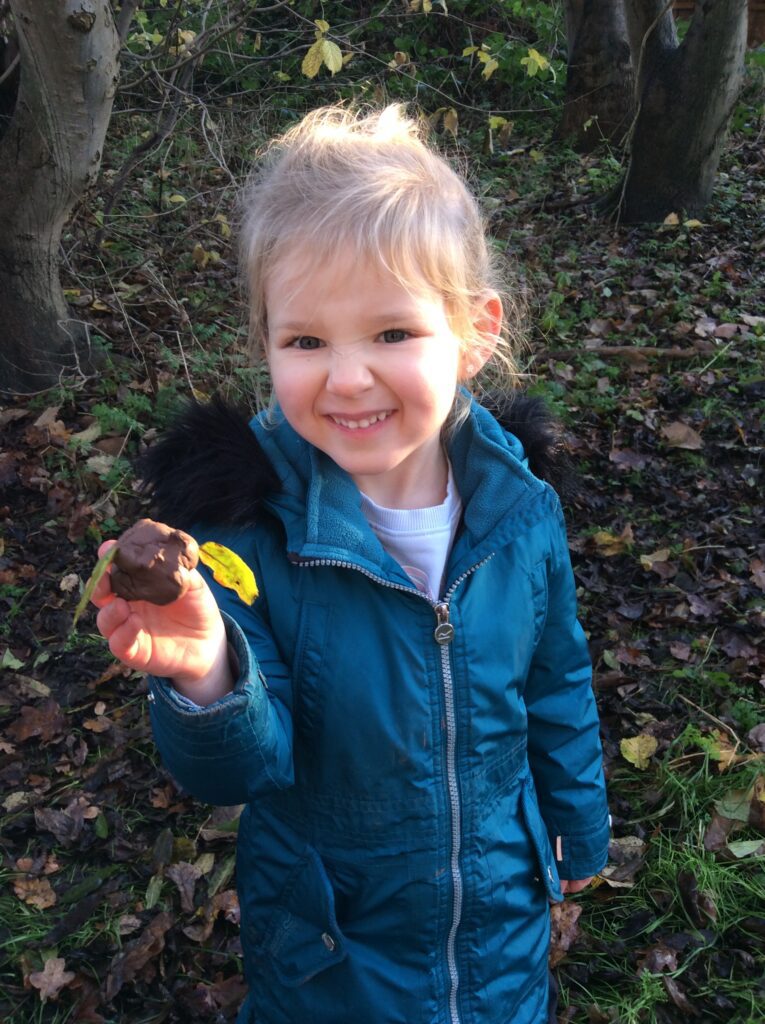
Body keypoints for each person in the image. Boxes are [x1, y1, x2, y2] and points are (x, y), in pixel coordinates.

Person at [92, 104, 610, 1024]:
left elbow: (556, 678)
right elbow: (240, 771)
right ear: (265, 345)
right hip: (332, 952)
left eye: (390, 333)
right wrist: (206, 673)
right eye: (305, 341)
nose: (347, 377)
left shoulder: (518, 508)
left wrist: (575, 823)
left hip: (495, 926)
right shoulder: (241, 532)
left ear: (475, 331)